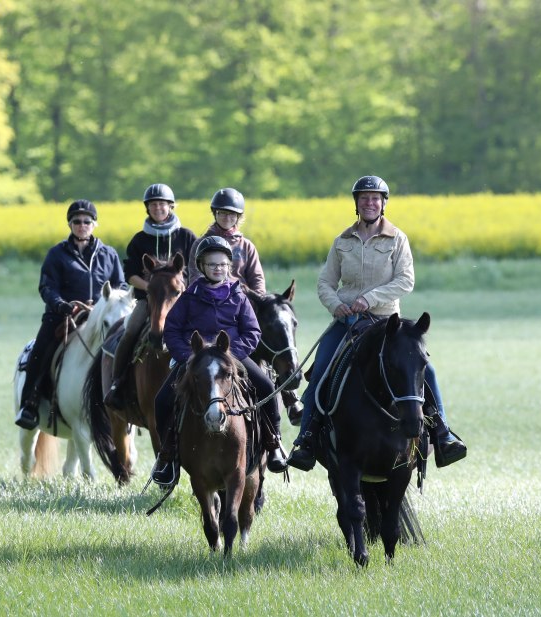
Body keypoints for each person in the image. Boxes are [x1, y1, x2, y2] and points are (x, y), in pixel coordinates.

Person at [286, 175, 467, 471]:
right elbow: (325, 282)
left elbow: (405, 280)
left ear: (383, 204)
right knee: (319, 370)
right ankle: (306, 439)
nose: (369, 203)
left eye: (375, 198)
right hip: (347, 323)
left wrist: (369, 299)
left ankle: (443, 434)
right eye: (364, 198)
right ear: (356, 203)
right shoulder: (342, 241)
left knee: (426, 368)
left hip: (387, 323)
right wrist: (338, 305)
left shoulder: (398, 239)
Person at [150, 236, 288, 488]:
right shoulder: (190, 296)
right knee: (162, 400)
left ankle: (274, 442)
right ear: (201, 267)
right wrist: (187, 355)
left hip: (232, 357)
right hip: (195, 358)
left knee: (267, 387)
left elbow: (253, 332)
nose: (217, 268)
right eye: (211, 264)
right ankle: (166, 456)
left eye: (222, 264)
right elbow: (172, 329)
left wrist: (231, 355)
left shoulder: (238, 296)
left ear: (229, 266)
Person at [14, 200, 126, 430]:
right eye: (76, 221)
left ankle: (127, 403)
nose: (82, 225)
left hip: (100, 316)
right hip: (63, 316)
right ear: (70, 224)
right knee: (40, 351)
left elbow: (121, 284)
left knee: (125, 349)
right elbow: (47, 287)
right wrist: (60, 305)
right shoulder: (57, 254)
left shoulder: (109, 254)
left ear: (95, 224)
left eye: (87, 221)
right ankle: (30, 404)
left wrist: (111, 303)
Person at [103, 183, 198, 408]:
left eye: (162, 204)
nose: (158, 208)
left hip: (181, 301)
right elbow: (130, 274)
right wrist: (152, 289)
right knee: (129, 333)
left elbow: (196, 270)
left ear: (170, 207)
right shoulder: (139, 240)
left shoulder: (186, 237)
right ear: (148, 208)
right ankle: (118, 384)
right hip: (148, 301)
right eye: (153, 205)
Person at [188, 187, 266, 295]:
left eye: (232, 214)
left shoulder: (247, 246)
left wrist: (257, 300)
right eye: (223, 212)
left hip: (242, 300)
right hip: (210, 299)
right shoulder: (200, 244)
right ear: (215, 213)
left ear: (238, 216)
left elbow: (257, 279)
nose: (227, 217)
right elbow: (195, 276)